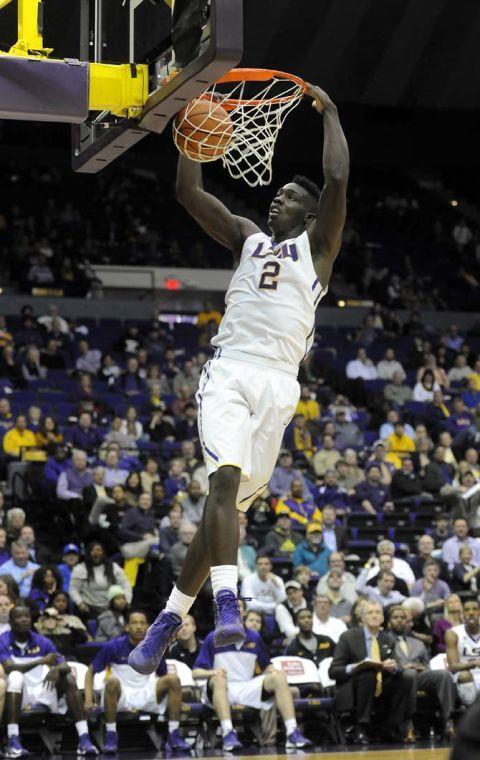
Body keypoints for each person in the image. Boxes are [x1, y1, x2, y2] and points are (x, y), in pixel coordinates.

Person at [129, 85, 349, 674]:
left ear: (308, 213)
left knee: (221, 509)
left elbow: (336, 182)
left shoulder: (319, 249)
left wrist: (329, 116)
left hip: (280, 385)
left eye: (290, 197)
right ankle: (228, 602)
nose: (279, 199)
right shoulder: (247, 237)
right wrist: (192, 135)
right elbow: (188, 191)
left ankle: (171, 617)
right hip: (230, 369)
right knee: (222, 481)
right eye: (277, 193)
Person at [192, 623, 312, 751]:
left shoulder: (254, 637)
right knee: (219, 679)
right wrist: (213, 672)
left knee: (279, 676)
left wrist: (273, 671)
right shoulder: (213, 637)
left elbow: (266, 665)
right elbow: (196, 672)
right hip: (221, 688)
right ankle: (228, 733)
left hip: (246, 687)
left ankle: (291, 731)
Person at [85, 610, 189, 754]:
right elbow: (90, 672)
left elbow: (163, 675)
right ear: (127, 627)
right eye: (134, 623)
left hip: (147, 692)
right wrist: (88, 700)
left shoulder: (155, 646)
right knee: (111, 681)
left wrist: (175, 700)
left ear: (148, 627)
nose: (138, 627)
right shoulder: (113, 646)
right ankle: (110, 735)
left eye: (142, 623)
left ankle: (174, 734)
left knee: (173, 679)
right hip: (122, 695)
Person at [0, 605, 97, 757]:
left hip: (42, 688)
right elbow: (9, 667)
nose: (24, 620)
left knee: (69, 678)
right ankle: (13, 739)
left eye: (27, 616)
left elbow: (63, 663)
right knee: (15, 676)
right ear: (11, 621)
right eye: (19, 617)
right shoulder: (3, 640)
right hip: (16, 693)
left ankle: (84, 738)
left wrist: (57, 669)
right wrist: (41, 661)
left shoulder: (42, 641)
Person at [329, 600, 414, 745]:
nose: (374, 616)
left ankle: (393, 724)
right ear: (363, 618)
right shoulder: (348, 637)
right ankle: (362, 725)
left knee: (407, 676)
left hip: (381, 684)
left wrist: (393, 667)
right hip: (354, 684)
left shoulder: (388, 638)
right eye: (370, 612)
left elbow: (398, 666)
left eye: (378, 613)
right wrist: (356, 666)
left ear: (382, 618)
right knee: (368, 672)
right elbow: (333, 671)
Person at [387, 605, 455, 738]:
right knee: (409, 675)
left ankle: (448, 721)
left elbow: (426, 664)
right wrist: (404, 667)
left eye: (403, 618)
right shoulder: (383, 639)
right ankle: (408, 722)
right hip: (397, 677)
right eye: (396, 618)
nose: (400, 620)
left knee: (443, 675)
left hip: (419, 676)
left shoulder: (417, 643)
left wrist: (424, 668)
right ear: (389, 621)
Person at [70, 542, 131, 618]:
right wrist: (80, 603)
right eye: (93, 550)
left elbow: (125, 584)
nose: (96, 553)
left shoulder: (114, 567)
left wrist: (127, 601)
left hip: (112, 607)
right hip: (89, 608)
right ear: (88, 553)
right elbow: (73, 589)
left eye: (99, 550)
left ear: (103, 553)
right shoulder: (80, 569)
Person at [445, 599, 480, 706]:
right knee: (465, 676)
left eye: (475, 609)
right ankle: (470, 711)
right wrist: (473, 664)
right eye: (467, 610)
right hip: (465, 674)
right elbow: (453, 666)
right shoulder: (453, 633)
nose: (471, 613)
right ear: (462, 614)